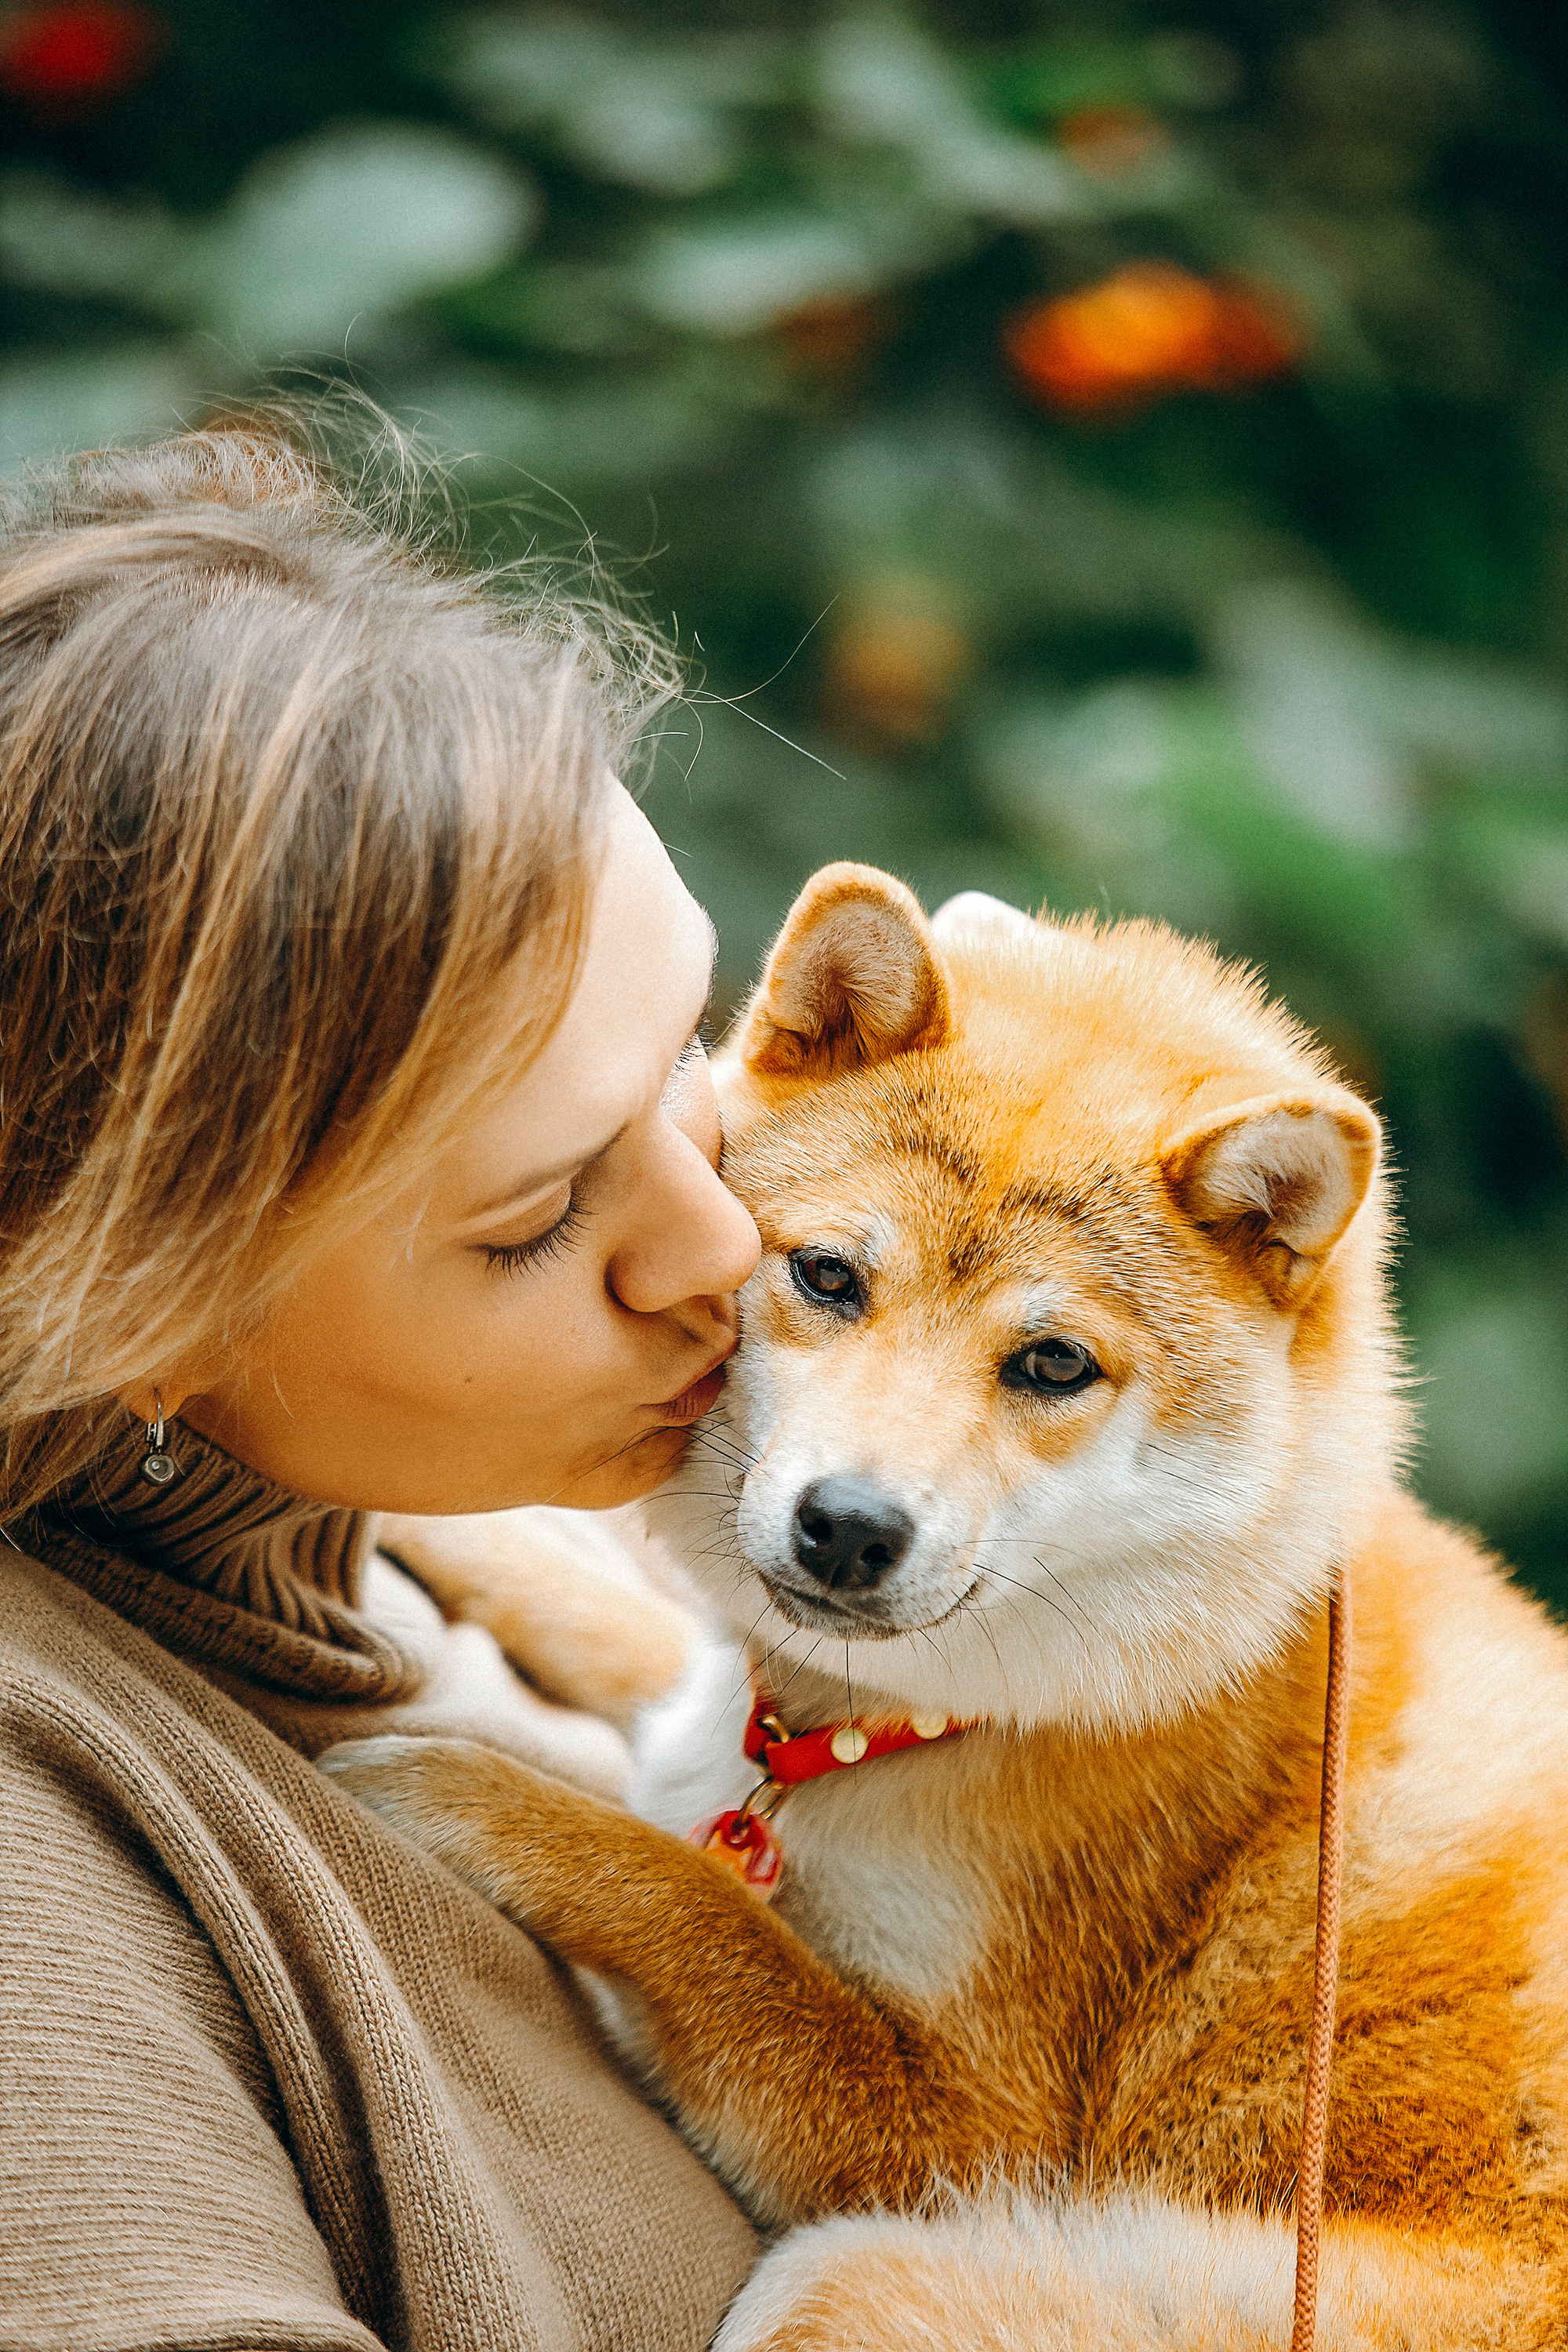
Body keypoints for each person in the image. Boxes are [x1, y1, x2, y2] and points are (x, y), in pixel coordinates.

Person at [0, 423, 764, 2349]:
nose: (723, 1247)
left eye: (693, 1053)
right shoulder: (39, 1872)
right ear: (137, 1303)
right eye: (540, 1217)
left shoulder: (522, 1567)